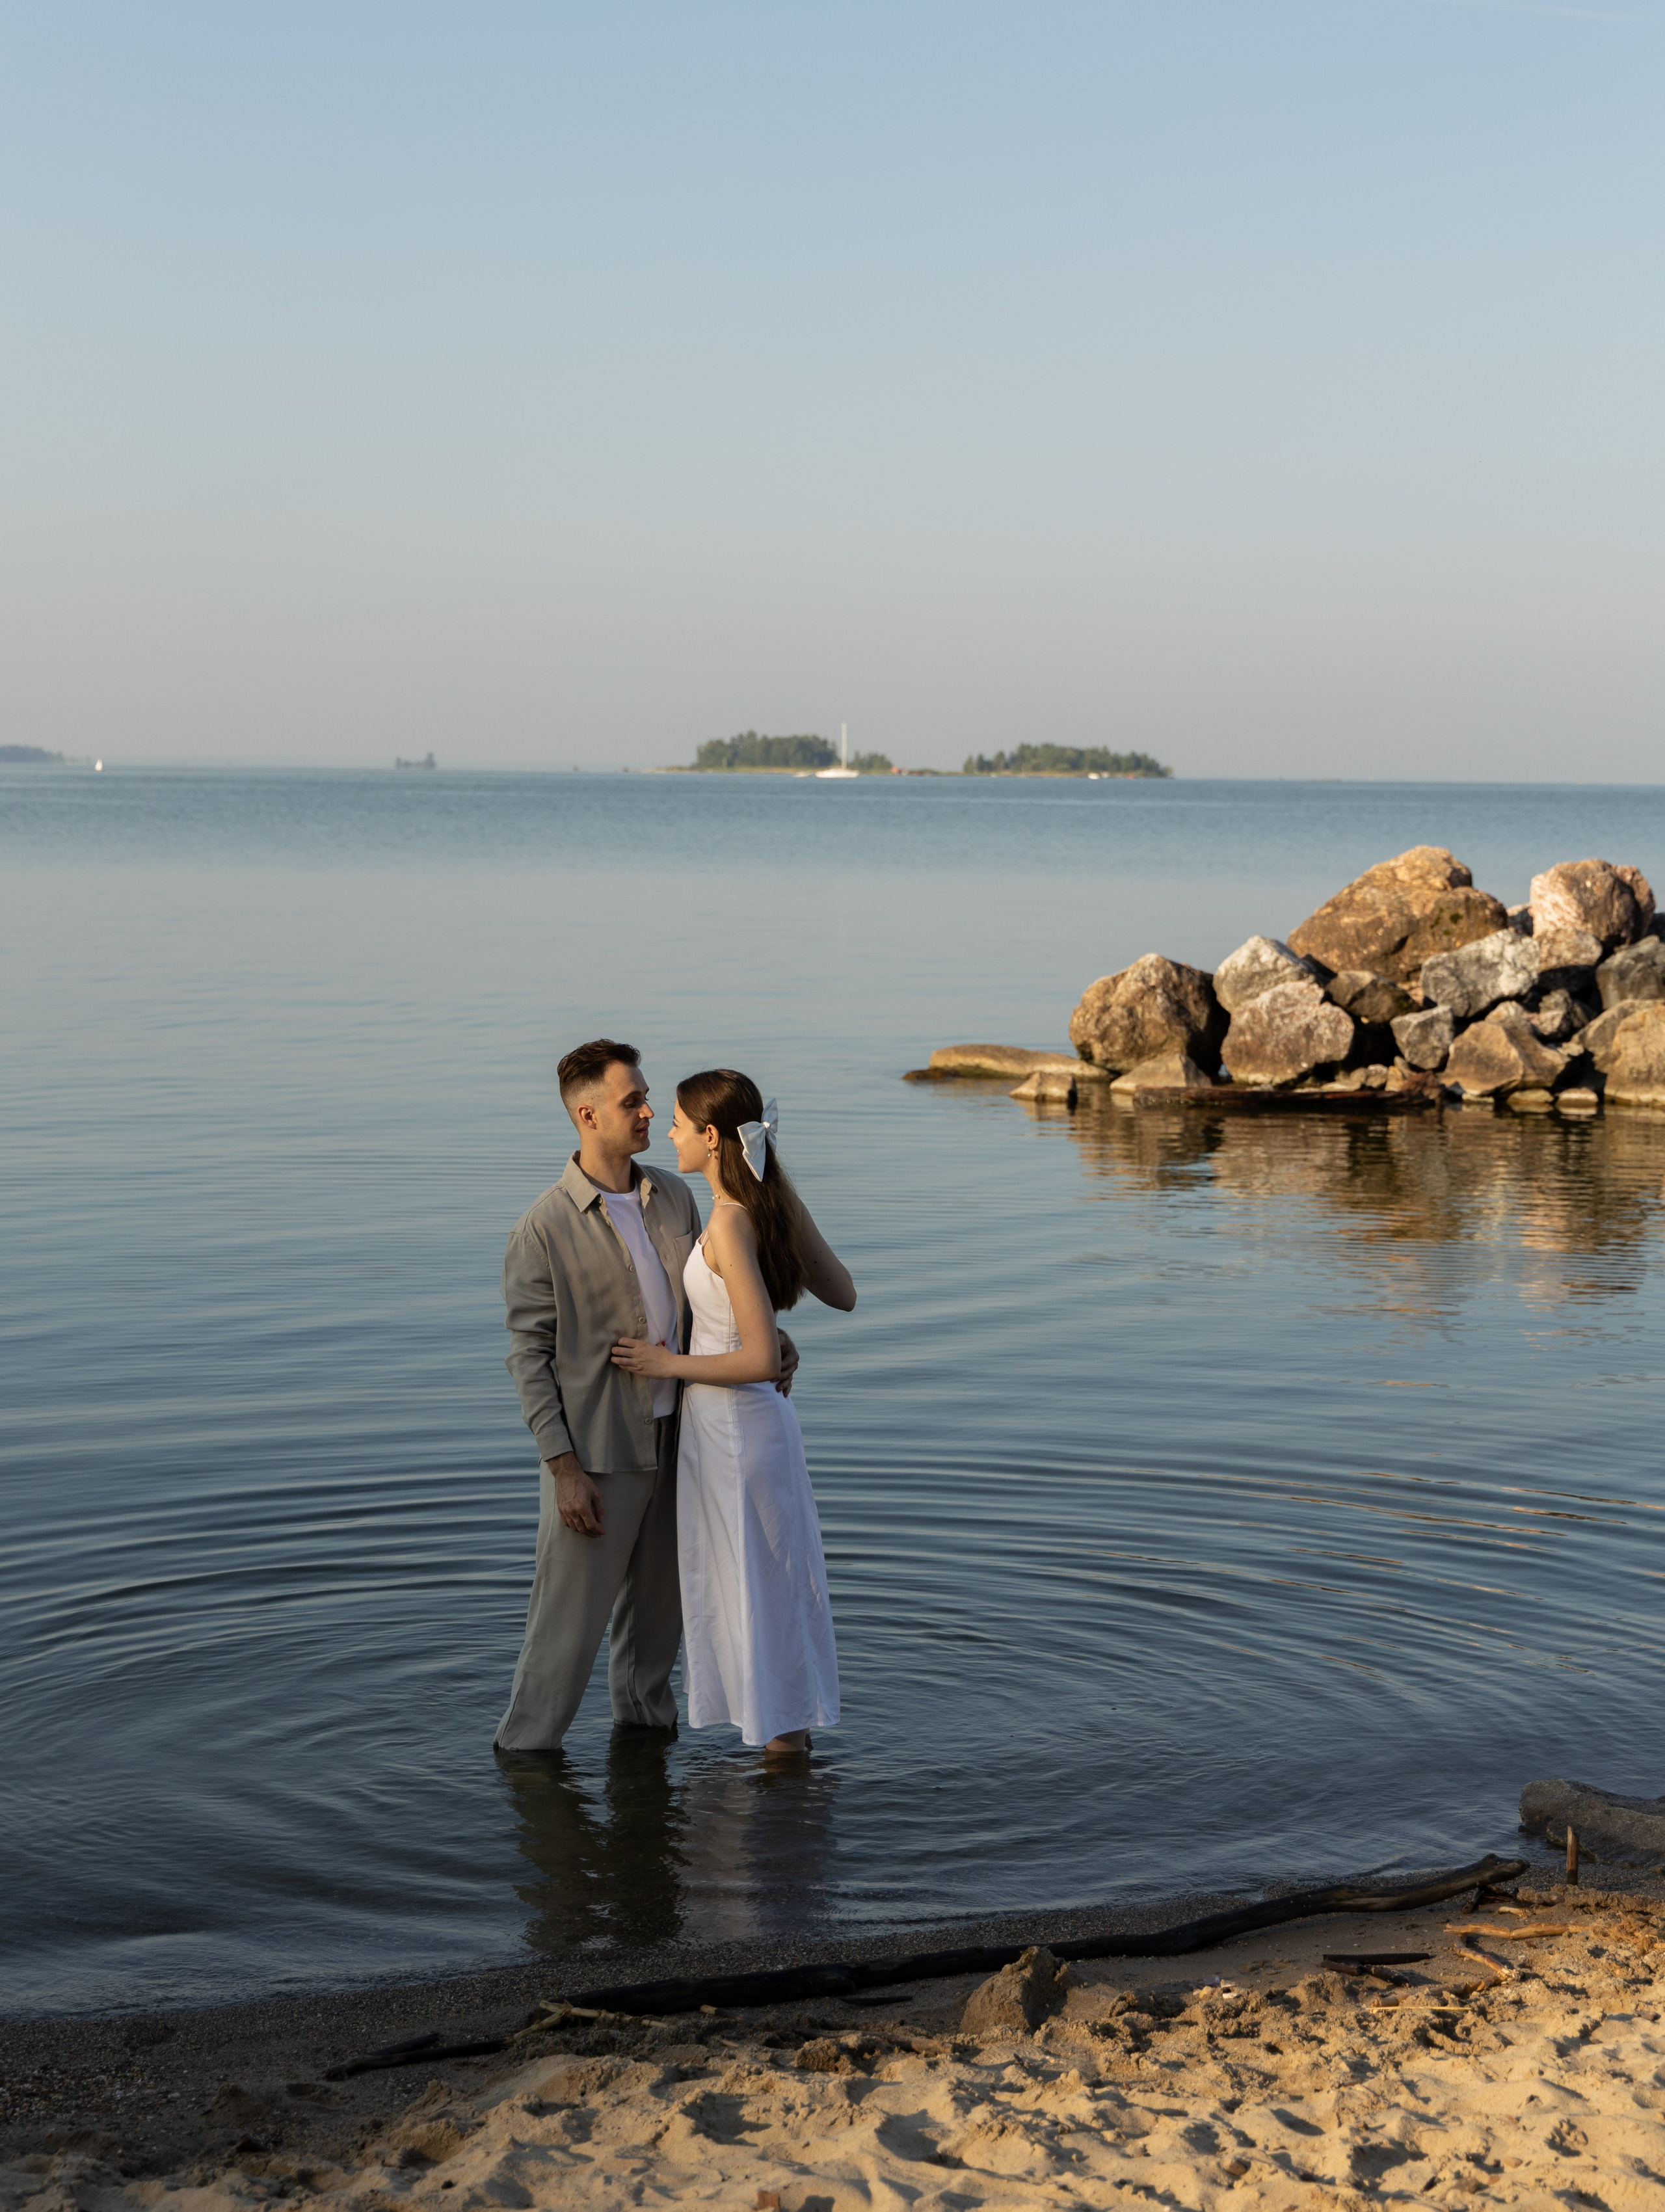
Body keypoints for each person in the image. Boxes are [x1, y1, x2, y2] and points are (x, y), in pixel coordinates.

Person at [496, 1039, 799, 1752]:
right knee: (562, 1642)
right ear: (586, 1113)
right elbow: (528, 1359)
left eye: (644, 1095)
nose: (648, 1110)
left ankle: (644, 1777)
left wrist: (772, 1340)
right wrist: (563, 1469)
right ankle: (524, 1762)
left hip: (685, 1442)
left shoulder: (676, 1193)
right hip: (599, 1459)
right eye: (632, 1100)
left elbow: (715, 1299)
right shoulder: (543, 1227)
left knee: (657, 1641)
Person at [611, 1069, 855, 1759]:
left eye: (682, 1125)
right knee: (767, 1595)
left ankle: (784, 1782)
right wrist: (780, 1193)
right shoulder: (763, 1207)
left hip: (736, 1430)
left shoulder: (726, 1220)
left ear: (712, 1138)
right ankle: (788, 1780)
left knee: (761, 1599)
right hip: (749, 1431)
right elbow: (843, 1292)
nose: (669, 1132)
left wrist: (667, 1363)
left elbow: (753, 1356)